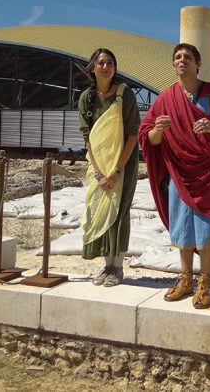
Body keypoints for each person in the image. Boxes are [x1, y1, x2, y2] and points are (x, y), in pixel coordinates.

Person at [139, 43, 210, 309]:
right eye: (178, 57)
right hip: (179, 173)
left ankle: (204, 282)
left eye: (188, 57)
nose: (182, 60)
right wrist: (158, 130)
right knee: (182, 228)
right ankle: (186, 280)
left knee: (206, 230)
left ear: (197, 64)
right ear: (174, 64)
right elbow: (148, 138)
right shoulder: (164, 99)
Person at [78, 48, 140, 286]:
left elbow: (133, 134)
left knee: (119, 210)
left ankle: (118, 268)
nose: (105, 67)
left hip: (123, 162)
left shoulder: (125, 94)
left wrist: (116, 171)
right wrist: (98, 172)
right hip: (98, 165)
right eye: (101, 63)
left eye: (110, 63)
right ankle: (106, 266)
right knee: (99, 209)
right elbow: (88, 138)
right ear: (93, 67)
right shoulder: (86, 98)